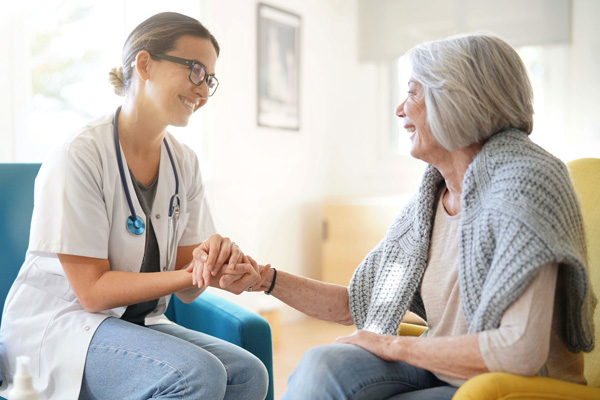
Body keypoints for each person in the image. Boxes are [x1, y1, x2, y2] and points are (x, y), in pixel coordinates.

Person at [234, 33, 596, 399]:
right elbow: (359, 303)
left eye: (412, 92)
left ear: (456, 98)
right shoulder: (429, 201)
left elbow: (518, 351)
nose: (400, 109)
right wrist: (264, 279)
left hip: (518, 386)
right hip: (442, 371)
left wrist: (394, 347)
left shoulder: (527, 184)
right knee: (322, 364)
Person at [0, 12, 269, 400]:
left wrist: (220, 266)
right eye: (195, 71)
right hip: (66, 327)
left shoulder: (184, 162)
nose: (204, 91)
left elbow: (190, 271)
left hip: (137, 324)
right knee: (196, 374)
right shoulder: (81, 154)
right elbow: (92, 292)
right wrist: (192, 274)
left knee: (247, 373)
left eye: (209, 78)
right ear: (144, 64)